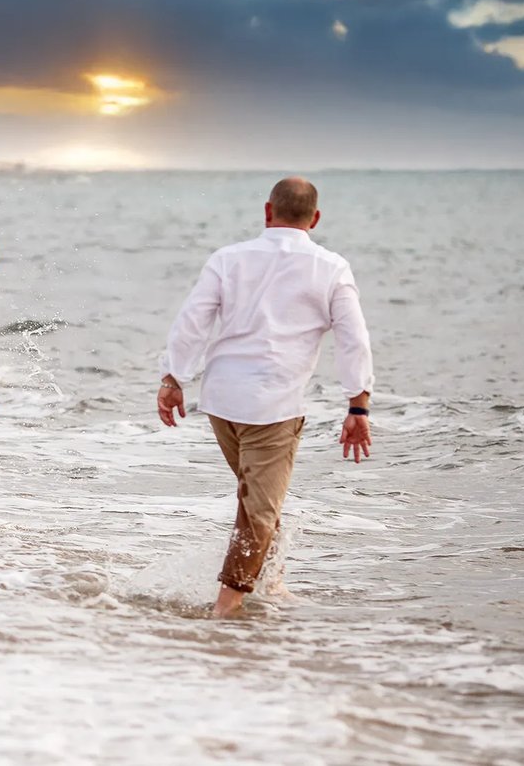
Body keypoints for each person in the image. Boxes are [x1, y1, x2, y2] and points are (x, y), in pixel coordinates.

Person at [157, 177, 374, 618]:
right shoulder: (331, 266)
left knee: (255, 497)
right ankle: (227, 605)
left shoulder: (228, 258)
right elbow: (354, 339)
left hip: (220, 400)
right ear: (314, 219)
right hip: (274, 406)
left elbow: (193, 320)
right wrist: (358, 403)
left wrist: (174, 377)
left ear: (267, 211)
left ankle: (270, 581)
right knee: (259, 506)